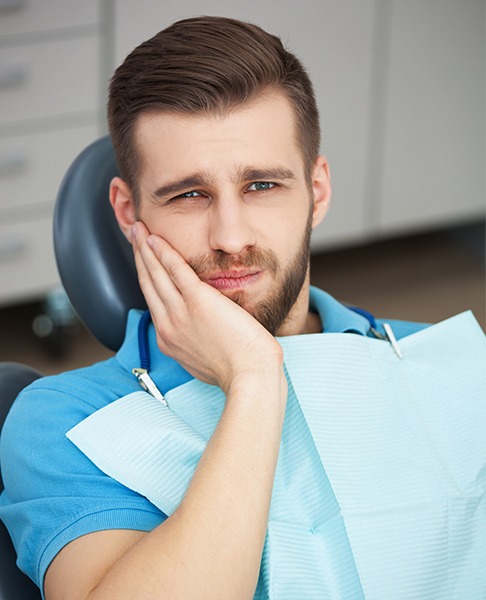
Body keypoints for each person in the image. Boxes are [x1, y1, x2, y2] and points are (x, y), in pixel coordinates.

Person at [0, 15, 484, 600]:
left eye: (262, 186)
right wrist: (255, 379)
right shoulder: (64, 421)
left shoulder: (450, 368)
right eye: (189, 194)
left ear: (317, 191)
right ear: (128, 213)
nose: (230, 236)